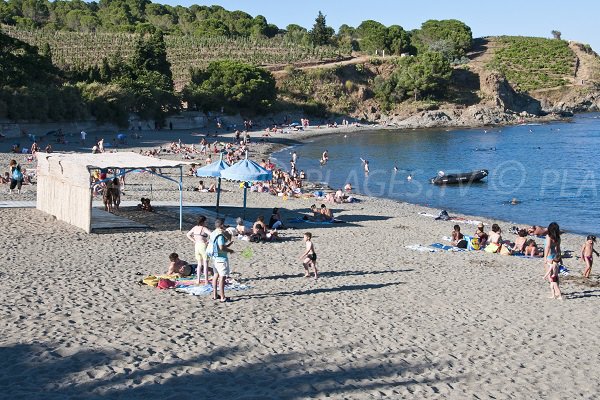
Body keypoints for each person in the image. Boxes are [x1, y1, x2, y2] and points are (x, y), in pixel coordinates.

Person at [209, 218, 234, 302]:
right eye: (224, 224)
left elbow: (217, 246)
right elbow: (221, 247)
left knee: (215, 276)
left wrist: (228, 245)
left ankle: (215, 295)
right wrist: (230, 250)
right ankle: (223, 297)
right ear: (222, 225)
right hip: (221, 259)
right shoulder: (220, 234)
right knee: (222, 278)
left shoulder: (213, 233)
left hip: (214, 258)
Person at [186, 216, 212, 284]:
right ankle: (206, 280)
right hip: (203, 245)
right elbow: (212, 235)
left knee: (199, 264)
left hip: (196, 245)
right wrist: (208, 241)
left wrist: (193, 240)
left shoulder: (195, 228)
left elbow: (188, 234)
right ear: (203, 222)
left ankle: (198, 279)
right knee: (205, 264)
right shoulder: (204, 228)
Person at [543, 222, 562, 300]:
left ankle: (557, 292)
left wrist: (545, 257)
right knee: (555, 275)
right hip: (555, 256)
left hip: (549, 257)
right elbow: (558, 249)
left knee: (550, 276)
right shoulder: (558, 238)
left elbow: (547, 247)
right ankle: (555, 291)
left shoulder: (549, 236)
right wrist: (560, 258)